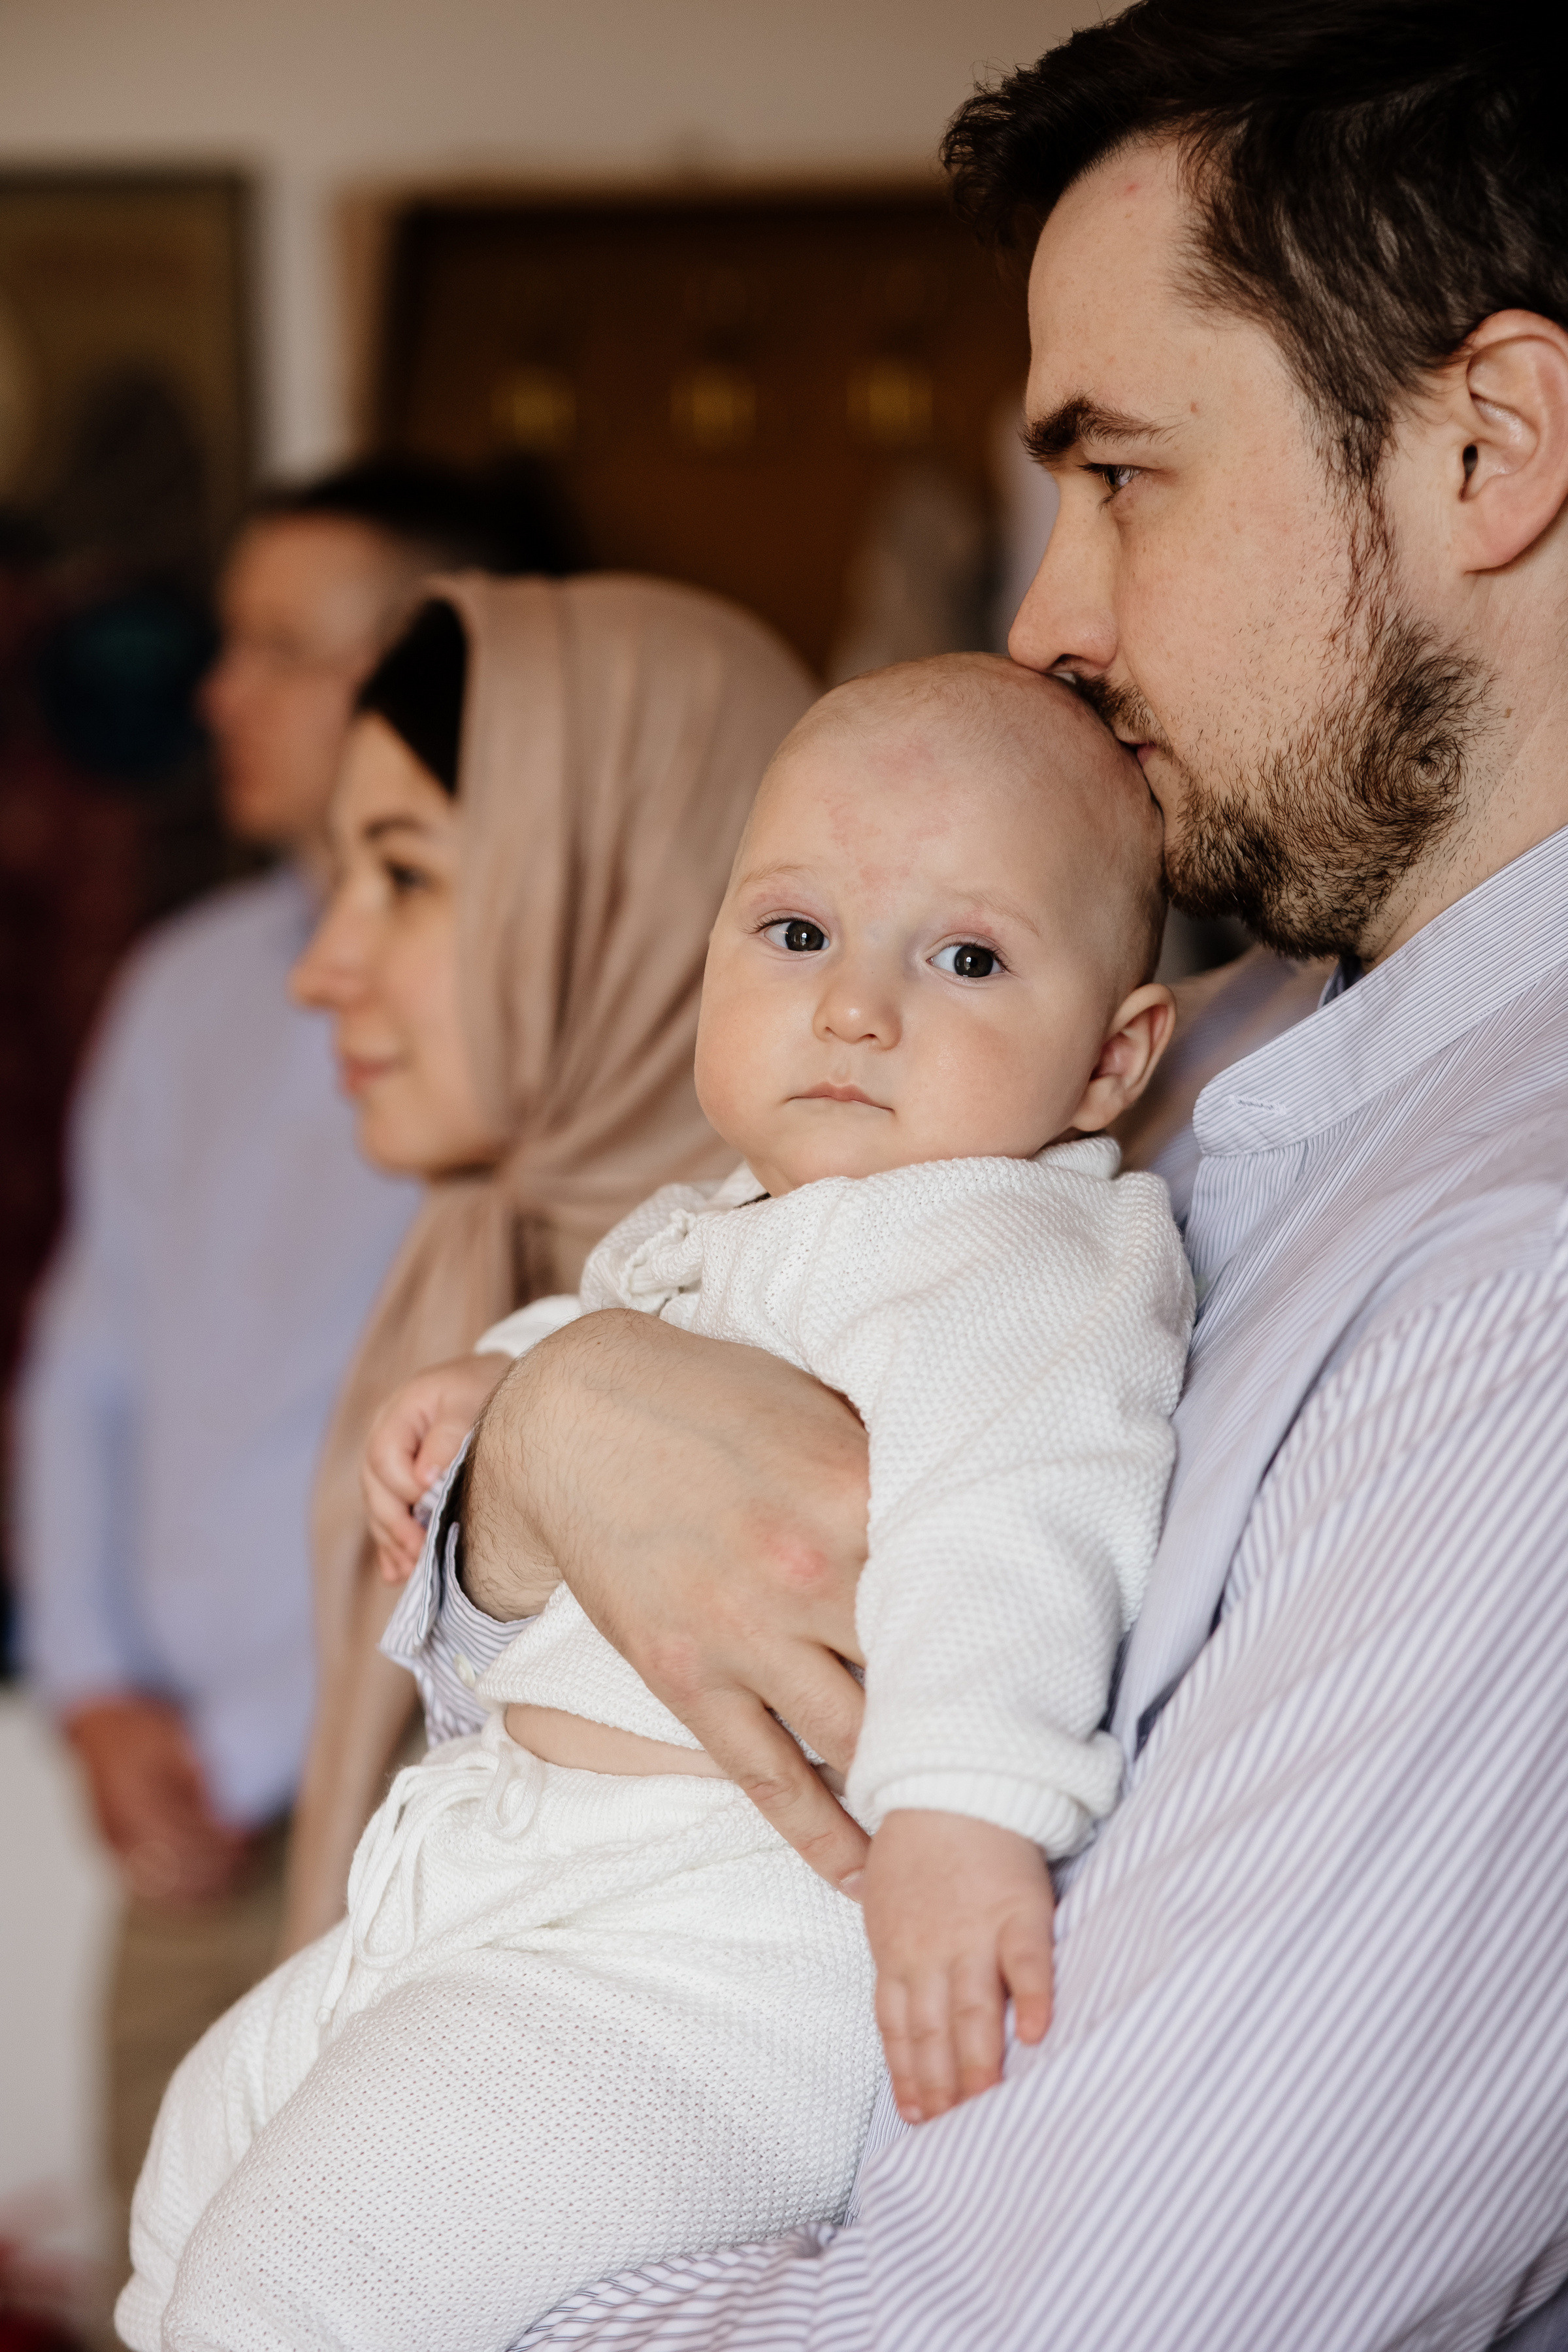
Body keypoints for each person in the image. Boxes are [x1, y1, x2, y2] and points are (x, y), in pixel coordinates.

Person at [342, 6, 1568, 2347]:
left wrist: (350, 2286)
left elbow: (1059, 2316)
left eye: (1122, 474)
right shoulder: (1212, 1050)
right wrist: (552, 1432)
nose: (1043, 621)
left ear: (1489, 444)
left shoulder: (1528, 1294)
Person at [120, 652, 1193, 2352]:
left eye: (967, 958)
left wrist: (966, 1819)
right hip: (514, 1883)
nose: (856, 1009)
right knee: (187, 2192)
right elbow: (648, 1345)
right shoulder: (726, 1221)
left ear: (1112, 1060)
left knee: (298, 2286)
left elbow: (1030, 1509)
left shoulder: (1013, 1252)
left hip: (714, 1951)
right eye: (794, 935)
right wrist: (515, 1383)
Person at [12, 455, 570, 2257]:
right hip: (190, 1809)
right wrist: (94, 1691)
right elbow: (88, 1360)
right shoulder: (189, 987)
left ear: (445, 666)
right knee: (151, 2278)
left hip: (450, 1814)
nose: (213, 689)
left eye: (276, 645)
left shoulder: (591, 1013)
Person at [275, 571, 818, 1961]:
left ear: (628, 886)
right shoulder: (481, 1260)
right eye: (334, 880)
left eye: (403, 874)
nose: (321, 967)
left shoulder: (805, 1320)